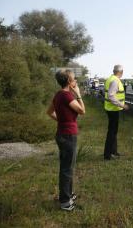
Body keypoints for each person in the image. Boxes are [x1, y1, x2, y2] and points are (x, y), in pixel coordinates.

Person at [47, 70, 86, 211]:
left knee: (67, 166)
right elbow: (82, 111)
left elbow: (49, 112)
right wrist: (79, 94)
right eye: (74, 80)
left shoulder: (58, 95)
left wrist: (62, 120)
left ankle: (68, 194)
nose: (76, 82)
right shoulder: (67, 95)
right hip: (68, 135)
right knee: (67, 168)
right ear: (69, 82)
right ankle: (65, 202)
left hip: (61, 133)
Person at [103, 65, 129, 160]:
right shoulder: (115, 81)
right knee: (112, 132)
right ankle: (107, 155)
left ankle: (114, 151)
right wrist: (122, 105)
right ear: (121, 72)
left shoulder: (110, 78)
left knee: (113, 132)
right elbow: (111, 96)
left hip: (111, 109)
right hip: (113, 109)